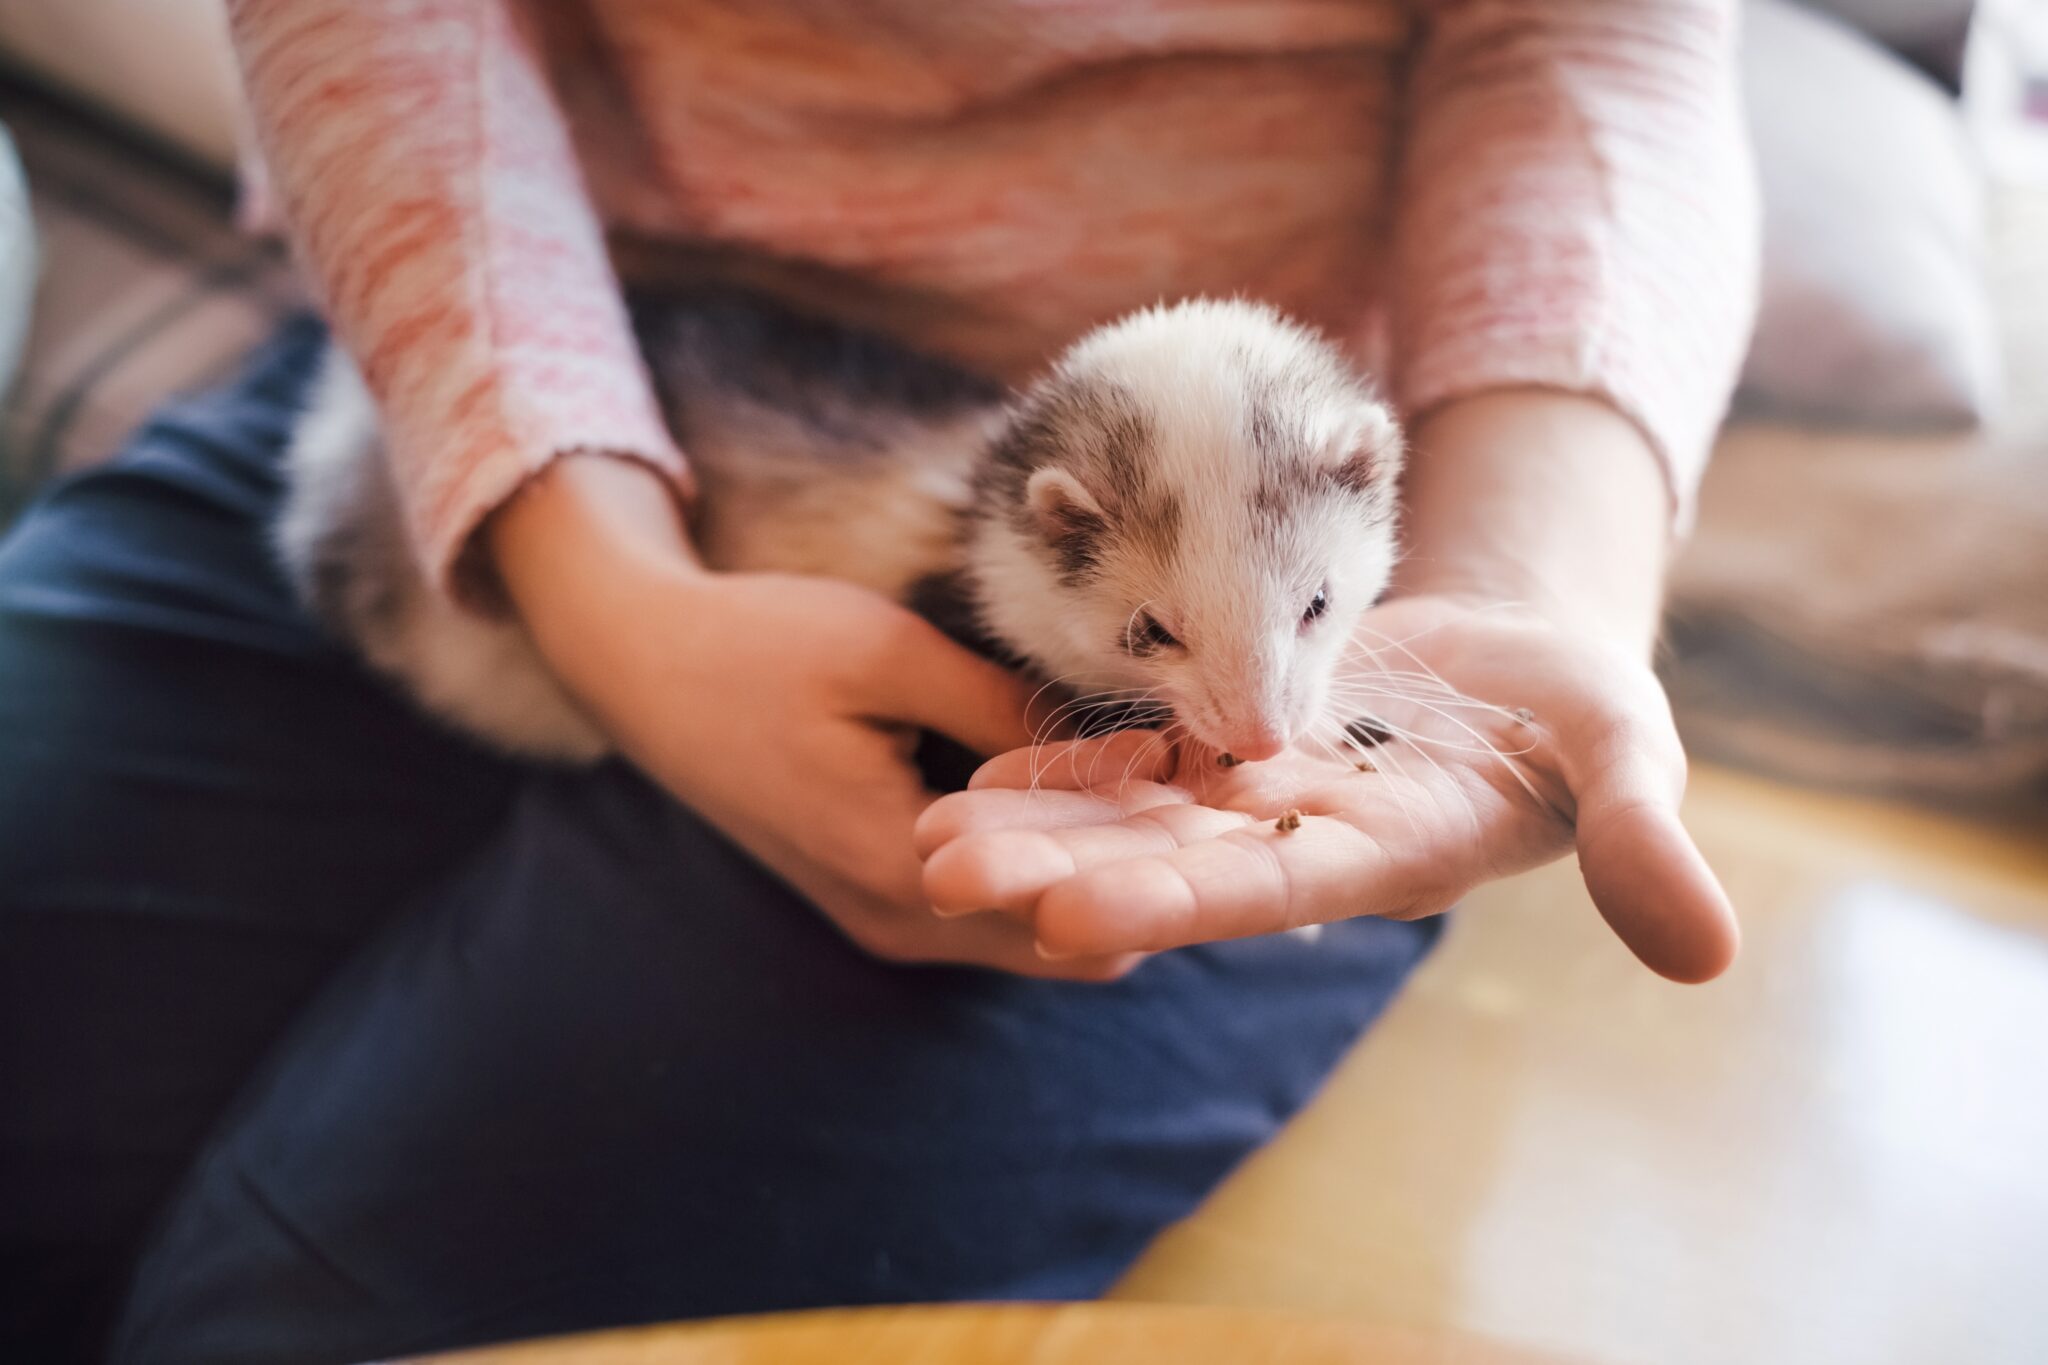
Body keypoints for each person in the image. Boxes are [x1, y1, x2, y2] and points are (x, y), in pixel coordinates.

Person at [0, 1, 1754, 1360]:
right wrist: (611, 596)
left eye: (1299, 639)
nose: (1262, 721)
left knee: (326, 1306)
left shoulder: (1268, 592)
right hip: (487, 350)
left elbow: (1589, 47)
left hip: (1197, 467)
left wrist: (1529, 584)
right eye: (1169, 651)